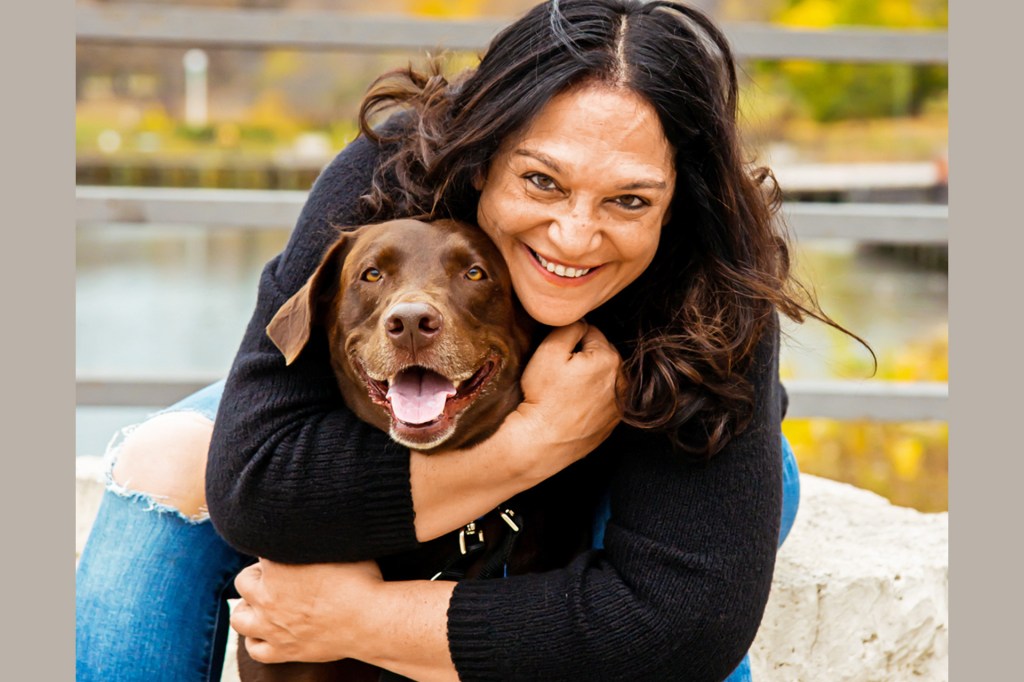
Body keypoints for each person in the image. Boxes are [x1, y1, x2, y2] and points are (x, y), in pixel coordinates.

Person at [74, 0, 839, 679]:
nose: (574, 236)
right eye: (541, 181)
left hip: (639, 443)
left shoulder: (712, 274)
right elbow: (253, 489)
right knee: (162, 470)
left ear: (677, 205)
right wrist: (534, 440)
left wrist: (360, 620)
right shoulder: (389, 176)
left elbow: (680, 625)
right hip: (422, 403)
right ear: (484, 155)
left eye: (628, 200)